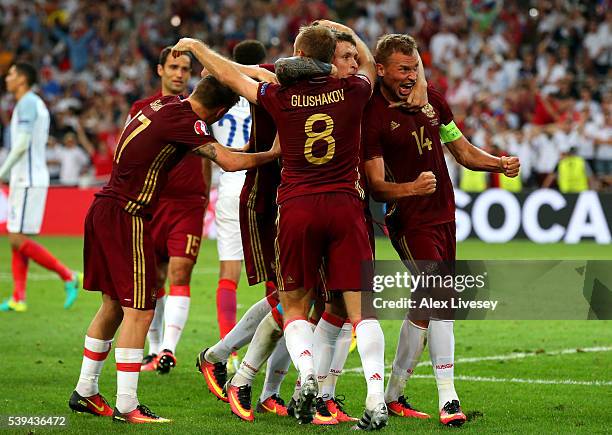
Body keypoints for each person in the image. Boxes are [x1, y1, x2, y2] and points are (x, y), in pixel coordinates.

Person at [171, 23, 389, 431]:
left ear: (300, 52)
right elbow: (371, 69)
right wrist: (348, 31)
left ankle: (302, 379)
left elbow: (231, 75)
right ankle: (371, 398)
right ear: (332, 58)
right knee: (350, 310)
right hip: (339, 205)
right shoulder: (355, 90)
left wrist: (198, 47)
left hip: (297, 206)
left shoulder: (281, 93)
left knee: (295, 307)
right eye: (344, 55)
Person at [67, 74, 279, 424]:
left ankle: (86, 390)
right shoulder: (187, 121)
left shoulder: (165, 105)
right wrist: (272, 154)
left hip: (103, 208)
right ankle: (127, 405)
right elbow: (226, 161)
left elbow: (216, 150)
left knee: (112, 306)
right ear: (221, 110)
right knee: (141, 310)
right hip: (128, 213)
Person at [363, 34, 520, 427]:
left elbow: (463, 151)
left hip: (444, 215)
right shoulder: (373, 115)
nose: (410, 75)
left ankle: (394, 394)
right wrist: (411, 189)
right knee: (442, 296)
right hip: (408, 219)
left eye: (414, 67)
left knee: (425, 303)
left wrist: (498, 163)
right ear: (380, 69)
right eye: (403, 68)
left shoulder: (431, 99)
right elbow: (376, 185)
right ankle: (448, 397)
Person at [128, 47, 210, 374]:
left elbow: (209, 156)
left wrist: (202, 198)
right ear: (160, 70)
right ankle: (152, 350)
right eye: (174, 67)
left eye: (185, 68)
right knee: (152, 278)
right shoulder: (141, 109)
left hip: (187, 206)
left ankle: (167, 350)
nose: (179, 73)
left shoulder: (198, 110)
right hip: (152, 203)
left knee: (180, 273)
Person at [0, 62, 80, 313]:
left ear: (22, 79)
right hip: (26, 177)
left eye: (12, 74)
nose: (7, 78)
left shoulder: (27, 104)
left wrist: (2, 172)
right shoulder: (35, 103)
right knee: (17, 237)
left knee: (15, 237)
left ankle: (68, 275)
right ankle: (18, 297)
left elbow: (22, 144)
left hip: (28, 178)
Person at [211, 40, 266, 375]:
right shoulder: (267, 91)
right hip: (260, 182)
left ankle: (226, 351)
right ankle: (280, 345)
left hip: (228, 183)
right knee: (277, 276)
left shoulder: (222, 94)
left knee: (227, 276)